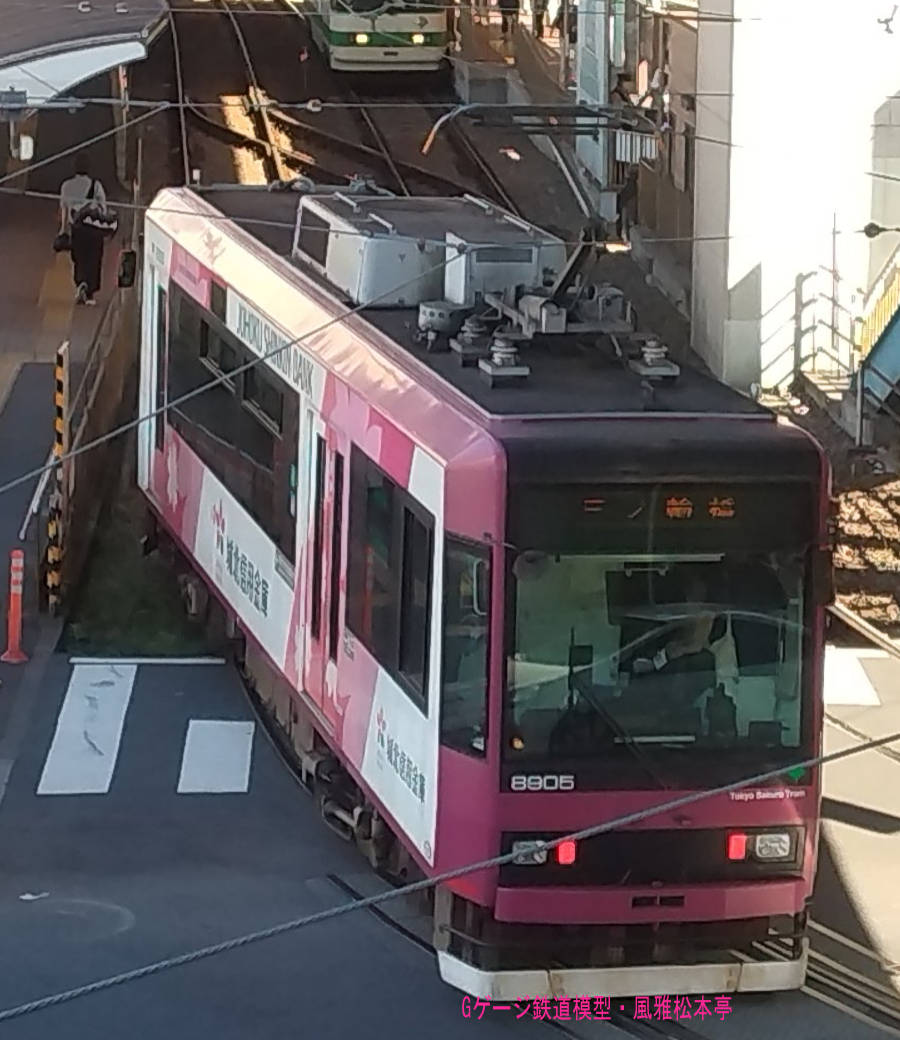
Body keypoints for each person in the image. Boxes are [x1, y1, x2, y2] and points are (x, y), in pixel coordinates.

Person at [59, 154, 108, 307]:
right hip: (93, 229)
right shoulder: (96, 185)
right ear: (89, 168)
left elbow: (65, 211)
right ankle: (90, 292)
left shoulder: (66, 186)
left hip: (77, 229)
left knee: (79, 258)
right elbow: (103, 208)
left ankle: (81, 283)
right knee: (94, 258)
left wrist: (63, 230)